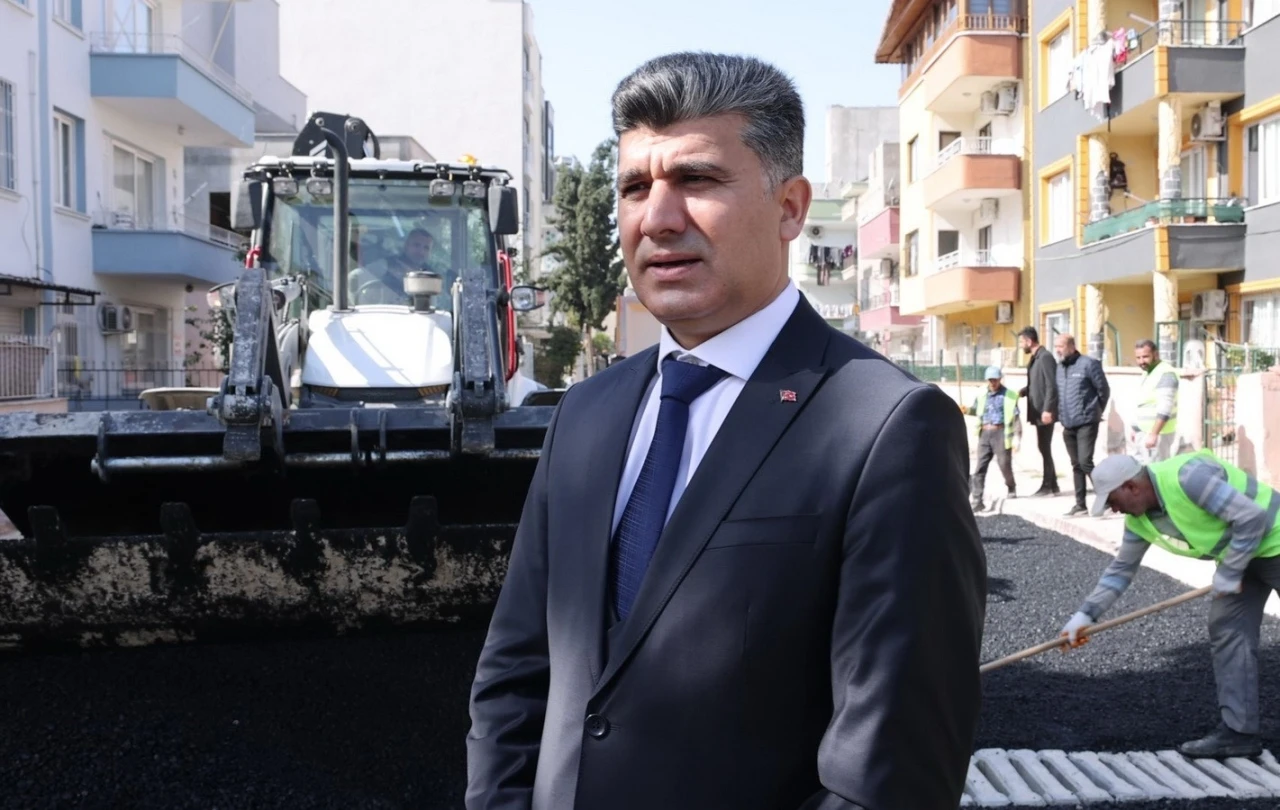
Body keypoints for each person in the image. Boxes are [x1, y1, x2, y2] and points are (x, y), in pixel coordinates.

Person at [465, 52, 986, 810]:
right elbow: (516, 674)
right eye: (634, 188)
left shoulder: (885, 427)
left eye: (698, 180)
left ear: (790, 208)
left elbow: (890, 772)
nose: (658, 217)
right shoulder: (584, 414)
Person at [1060, 450, 1280, 759]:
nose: (1114, 509)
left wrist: (1230, 571)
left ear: (1131, 487)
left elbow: (1251, 517)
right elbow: (1121, 570)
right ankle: (1239, 734)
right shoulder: (1139, 520)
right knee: (1227, 629)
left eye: (1113, 501)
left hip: (1274, 538)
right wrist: (1085, 614)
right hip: (1243, 556)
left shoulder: (1188, 477)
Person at [1055, 333, 1110, 517]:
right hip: (1068, 423)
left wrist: (1096, 411)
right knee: (1076, 464)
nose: (1058, 350)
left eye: (1061, 346)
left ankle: (1108, 499)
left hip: (1087, 421)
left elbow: (1103, 390)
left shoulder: (1088, 364)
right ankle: (1080, 505)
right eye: (1056, 346)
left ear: (1071, 346)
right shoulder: (1060, 368)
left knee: (1086, 462)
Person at [962, 365, 1021, 511]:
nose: (993, 383)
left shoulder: (1009, 396)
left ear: (1000, 379)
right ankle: (977, 499)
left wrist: (1017, 438)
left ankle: (1011, 486)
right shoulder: (982, 394)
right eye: (990, 380)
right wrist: (966, 410)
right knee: (979, 468)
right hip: (984, 434)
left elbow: (1016, 418)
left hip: (1000, 433)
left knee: (1004, 464)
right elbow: (977, 410)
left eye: (995, 380)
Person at [348, 228, 449, 305]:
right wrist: (360, 305)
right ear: (406, 245)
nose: (421, 251)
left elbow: (441, 303)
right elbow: (354, 277)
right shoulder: (386, 265)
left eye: (426, 248)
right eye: (416, 245)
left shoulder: (431, 275)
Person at [1017, 326, 1060, 496]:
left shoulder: (1045, 357)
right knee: (1043, 447)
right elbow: (1038, 383)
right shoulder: (1035, 358)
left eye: (1022, 342)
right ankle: (1053, 484)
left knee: (1044, 447)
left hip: (1044, 412)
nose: (1021, 346)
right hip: (1037, 411)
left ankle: (1048, 485)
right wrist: (1024, 391)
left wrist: (1048, 409)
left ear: (1029, 341)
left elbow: (1052, 385)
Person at [1129, 338, 1179, 462]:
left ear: (1156, 355)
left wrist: (1154, 434)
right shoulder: (1148, 372)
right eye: (1138, 358)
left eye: (1145, 357)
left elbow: (1165, 408)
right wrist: (1135, 428)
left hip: (1157, 435)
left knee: (1155, 471)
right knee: (1141, 470)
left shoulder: (1166, 373)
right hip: (1143, 433)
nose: (1141, 361)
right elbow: (1143, 404)